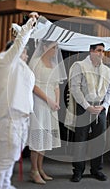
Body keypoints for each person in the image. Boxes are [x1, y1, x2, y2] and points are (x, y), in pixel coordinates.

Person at [0, 12, 38, 189]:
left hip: (22, 118)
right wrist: (29, 24)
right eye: (23, 51)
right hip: (9, 119)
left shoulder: (23, 68)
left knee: (13, 157)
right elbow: (19, 45)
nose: (25, 53)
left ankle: (5, 185)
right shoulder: (5, 61)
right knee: (5, 159)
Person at [66, 43, 110, 182]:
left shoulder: (107, 70)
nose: (101, 54)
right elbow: (75, 88)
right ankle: (78, 171)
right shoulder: (79, 66)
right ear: (91, 51)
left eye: (103, 51)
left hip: (100, 109)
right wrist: (87, 106)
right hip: (84, 107)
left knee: (100, 140)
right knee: (80, 140)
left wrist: (105, 105)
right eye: (99, 51)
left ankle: (96, 170)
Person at [27, 39, 67, 184]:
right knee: (38, 136)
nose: (55, 51)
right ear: (44, 47)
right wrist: (48, 100)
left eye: (57, 48)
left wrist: (56, 101)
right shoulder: (35, 62)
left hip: (51, 105)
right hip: (39, 102)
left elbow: (56, 86)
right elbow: (33, 86)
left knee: (45, 138)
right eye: (53, 47)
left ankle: (40, 168)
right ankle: (33, 170)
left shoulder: (54, 65)